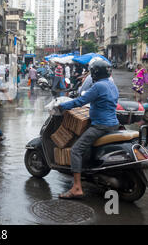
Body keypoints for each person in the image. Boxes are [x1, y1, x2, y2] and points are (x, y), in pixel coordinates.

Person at [58, 60, 119, 199]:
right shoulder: (111, 84)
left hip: (101, 125)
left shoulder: (98, 86)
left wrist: (62, 106)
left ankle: (77, 187)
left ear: (95, 73)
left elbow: (80, 101)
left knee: (76, 150)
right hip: (113, 123)